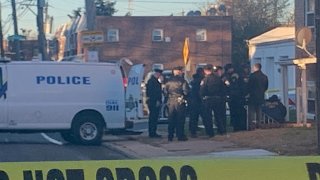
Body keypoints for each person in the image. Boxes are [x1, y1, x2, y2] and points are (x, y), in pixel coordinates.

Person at [200, 65, 227, 137]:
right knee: (218, 116)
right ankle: (221, 131)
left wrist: (202, 96)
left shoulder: (205, 80)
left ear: (205, 71)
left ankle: (210, 133)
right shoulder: (218, 78)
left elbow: (202, 90)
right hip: (218, 99)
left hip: (208, 99)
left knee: (208, 117)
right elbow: (223, 88)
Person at [165, 66, 190, 141]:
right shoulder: (182, 81)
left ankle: (170, 136)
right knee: (180, 119)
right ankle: (180, 135)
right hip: (179, 101)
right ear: (179, 72)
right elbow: (186, 91)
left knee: (171, 119)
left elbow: (165, 92)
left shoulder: (168, 81)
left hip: (170, 101)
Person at [223, 64, 247, 131]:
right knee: (240, 113)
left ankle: (237, 127)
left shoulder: (233, 76)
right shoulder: (240, 76)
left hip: (235, 98)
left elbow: (233, 87)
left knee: (236, 113)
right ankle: (241, 126)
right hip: (239, 97)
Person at [247, 63, 268, 130]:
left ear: (255, 68)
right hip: (261, 96)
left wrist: (248, 93)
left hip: (253, 97)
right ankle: (259, 124)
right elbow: (266, 87)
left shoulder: (252, 76)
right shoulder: (264, 76)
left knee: (252, 112)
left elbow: (249, 86)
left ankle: (252, 125)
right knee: (259, 111)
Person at [146, 69, 163, 138]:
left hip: (152, 101)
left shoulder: (151, 81)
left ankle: (152, 132)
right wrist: (157, 100)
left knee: (153, 118)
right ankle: (152, 133)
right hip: (154, 102)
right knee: (153, 117)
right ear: (157, 74)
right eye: (159, 74)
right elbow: (154, 93)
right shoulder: (153, 82)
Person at [189, 68, 204, 138]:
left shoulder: (193, 81)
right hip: (199, 101)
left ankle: (193, 131)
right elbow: (200, 92)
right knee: (205, 116)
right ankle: (208, 130)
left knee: (193, 118)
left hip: (193, 101)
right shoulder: (200, 81)